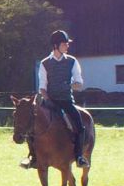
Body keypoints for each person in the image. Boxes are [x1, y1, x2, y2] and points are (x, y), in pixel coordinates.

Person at [24, 29, 89, 169]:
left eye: (67, 44)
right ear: (56, 46)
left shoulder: (72, 61)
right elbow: (42, 87)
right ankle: (33, 157)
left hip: (66, 101)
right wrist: (48, 100)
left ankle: (79, 157)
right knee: (31, 125)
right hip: (49, 102)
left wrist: (72, 84)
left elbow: (79, 83)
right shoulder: (45, 63)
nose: (67, 46)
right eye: (64, 44)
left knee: (79, 125)